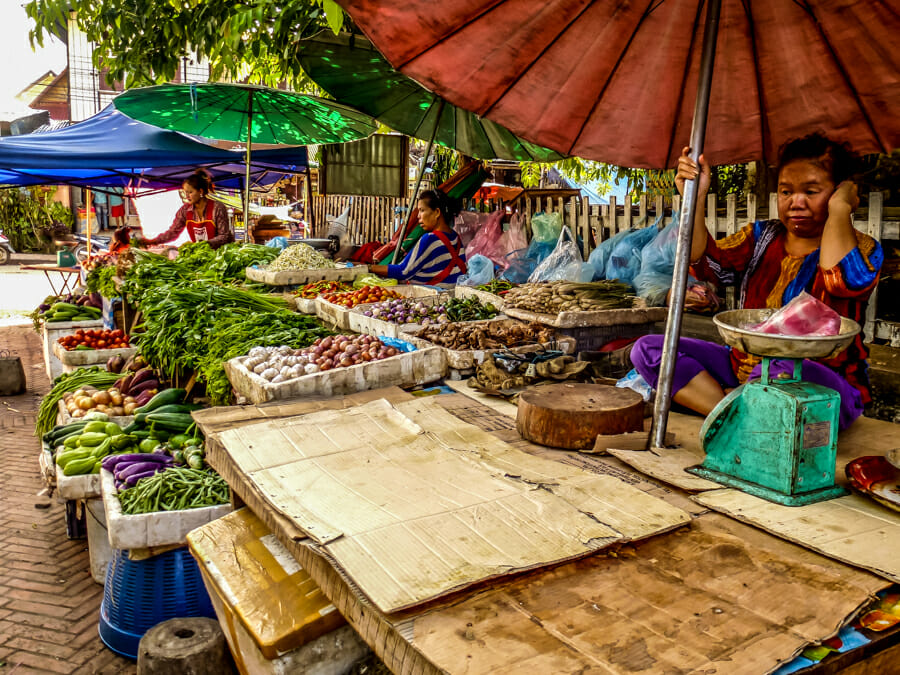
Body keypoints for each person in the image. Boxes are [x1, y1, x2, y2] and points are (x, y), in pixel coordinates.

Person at [630, 133, 883, 430]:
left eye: (812, 192)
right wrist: (694, 199)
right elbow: (707, 263)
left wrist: (840, 210)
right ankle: (731, 412)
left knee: (783, 367)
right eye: (786, 192)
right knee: (648, 349)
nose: (796, 203)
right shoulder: (761, 237)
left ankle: (737, 405)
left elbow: (842, 281)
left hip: (822, 383)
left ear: (839, 190)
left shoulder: (864, 249)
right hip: (743, 367)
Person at [369, 189, 467, 285]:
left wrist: (368, 268)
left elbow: (403, 271)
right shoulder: (456, 237)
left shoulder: (430, 239)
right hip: (452, 295)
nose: (418, 216)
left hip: (432, 297)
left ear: (437, 212)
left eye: (422, 210)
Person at [135, 169, 233, 249]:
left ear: (200, 191)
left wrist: (205, 244)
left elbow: (224, 236)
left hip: (221, 255)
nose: (187, 196)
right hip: (201, 254)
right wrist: (154, 241)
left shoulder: (217, 208)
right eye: (185, 192)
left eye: (190, 192)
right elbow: (173, 232)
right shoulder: (185, 210)